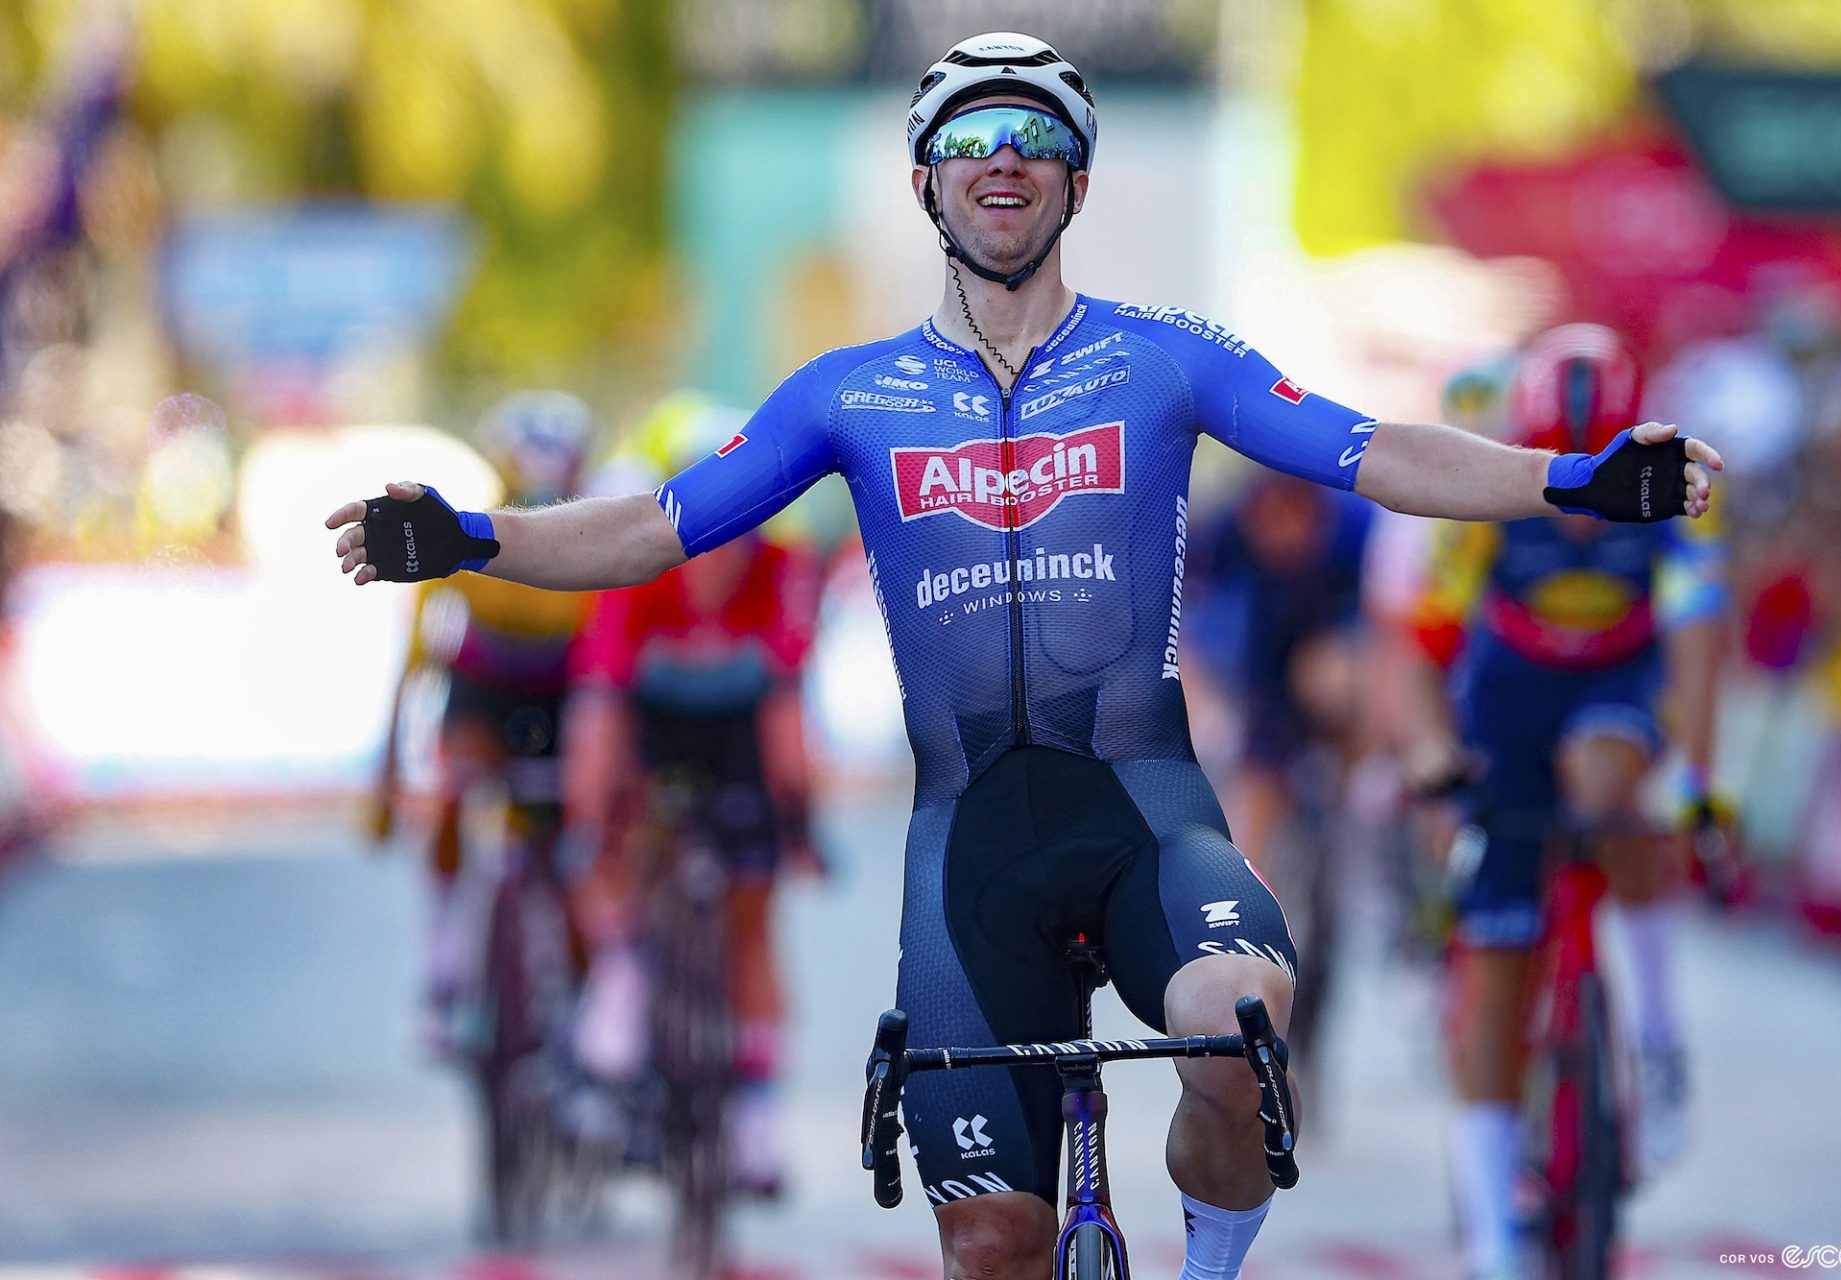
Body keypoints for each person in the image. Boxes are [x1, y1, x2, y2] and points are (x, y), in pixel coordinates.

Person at [328, 33, 1720, 1280]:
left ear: (1079, 185)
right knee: (993, 1242)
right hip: (968, 843)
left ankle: (1210, 1265)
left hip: (1140, 809)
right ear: (928, 186)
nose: (1006, 162)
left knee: (1242, 1027)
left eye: (1039, 140)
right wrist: (467, 535)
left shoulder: (1166, 360)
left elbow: (1375, 452)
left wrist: (1578, 480)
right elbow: (647, 528)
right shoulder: (847, 395)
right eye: (971, 144)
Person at [1401, 325, 1730, 1280]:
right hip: (1506, 703)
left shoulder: (1679, 497)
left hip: (1615, 689)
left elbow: (1703, 644)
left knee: (1609, 782)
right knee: (1496, 963)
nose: (1593, 499)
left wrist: (1699, 784)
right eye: (1573, 467)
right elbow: (1417, 650)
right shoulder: (1485, 504)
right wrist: (1427, 752)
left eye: (1613, 463)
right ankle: (1496, 1244)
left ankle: (1659, 1033)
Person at [561, 392, 823, 1196]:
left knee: (753, 915)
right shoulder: (637, 569)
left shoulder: (784, 570)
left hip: (740, 735)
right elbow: (600, 712)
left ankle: (755, 1123)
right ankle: (622, 981)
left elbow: (786, 707)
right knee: (618, 842)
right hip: (653, 734)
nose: (722, 534)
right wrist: (588, 824)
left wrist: (799, 820)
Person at [370, 390, 596, 1048]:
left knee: (564, 846)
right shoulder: (465, 529)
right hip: (484, 687)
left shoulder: (601, 530)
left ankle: (576, 984)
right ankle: (442, 964)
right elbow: (419, 652)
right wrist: (387, 763)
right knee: (453, 793)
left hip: (563, 690)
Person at [1183, 471, 1374, 1078]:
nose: (1288, 538)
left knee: (1335, 678)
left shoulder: (1357, 531)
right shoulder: (1223, 531)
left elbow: (1394, 640)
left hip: (1336, 681)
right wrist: (1206, 708)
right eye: (1275, 523)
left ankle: (1371, 866)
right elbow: (1180, 631)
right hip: (1260, 681)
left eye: (1301, 522)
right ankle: (1247, 938)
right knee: (1251, 833)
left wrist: (1372, 752)